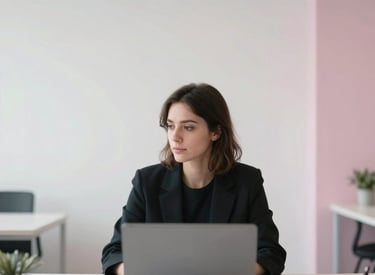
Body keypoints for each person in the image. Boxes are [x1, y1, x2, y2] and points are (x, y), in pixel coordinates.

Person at [101, 83, 287, 275]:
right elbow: (114, 252)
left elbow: (271, 253)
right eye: (170, 126)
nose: (175, 137)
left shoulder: (247, 181)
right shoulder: (147, 181)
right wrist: (135, 270)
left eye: (188, 127)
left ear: (215, 132)